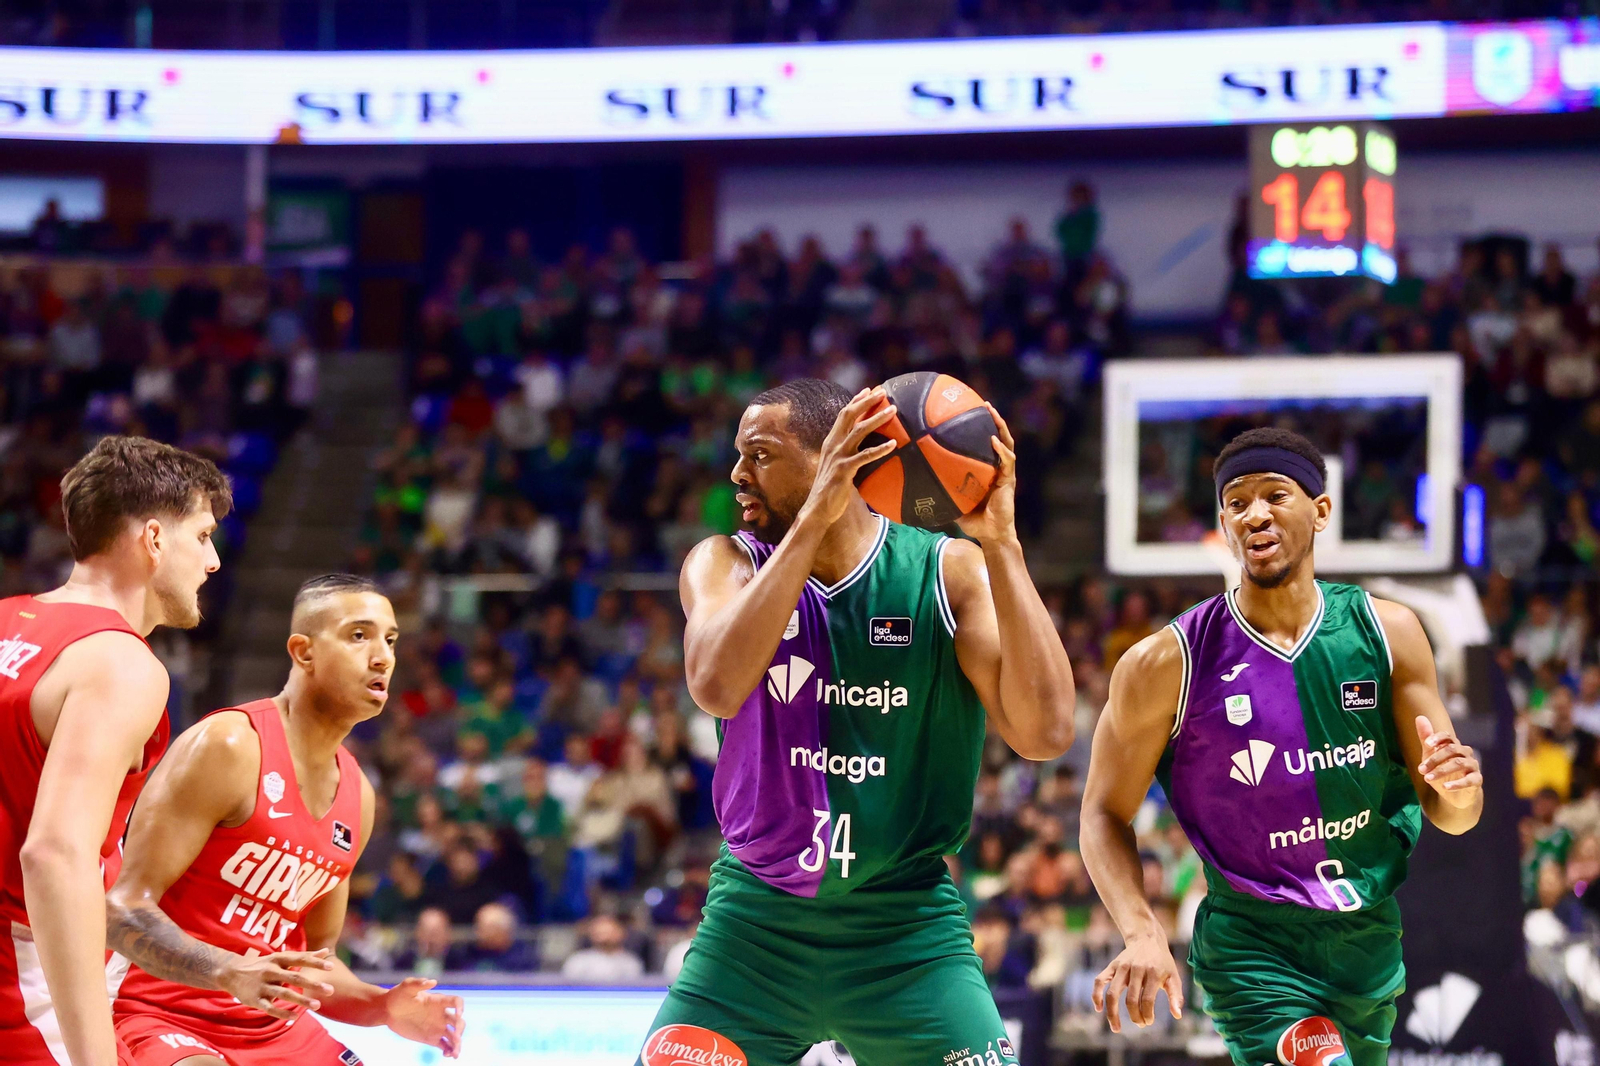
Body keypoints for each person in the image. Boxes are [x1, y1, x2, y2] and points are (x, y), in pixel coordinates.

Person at [635, 380, 1075, 1065]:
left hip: (904, 933)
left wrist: (1004, 548)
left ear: (840, 456)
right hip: (754, 932)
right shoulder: (725, 563)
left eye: (760, 455)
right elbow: (717, 687)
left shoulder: (948, 572)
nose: (737, 474)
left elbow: (1045, 734)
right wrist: (813, 519)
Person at [1081, 427, 1484, 1065]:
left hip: (1366, 936)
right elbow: (1102, 811)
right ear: (1224, 523)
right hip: (1253, 945)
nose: (1256, 513)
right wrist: (1140, 930)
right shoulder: (1165, 663)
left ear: (1321, 511)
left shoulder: (1389, 633)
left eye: (1276, 494)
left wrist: (1461, 792)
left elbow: (1454, 815)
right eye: (1237, 502)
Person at [106, 575, 465, 1065]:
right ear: (303, 651)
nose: (382, 656)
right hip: (157, 1014)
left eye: (390, 639)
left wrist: (381, 1005)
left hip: (274, 1031)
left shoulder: (357, 794)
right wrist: (230, 971)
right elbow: (121, 910)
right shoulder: (229, 746)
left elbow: (317, 966)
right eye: (359, 635)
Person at [0, 436, 230, 1066]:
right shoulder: (122, 664)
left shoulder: (6, 620)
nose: (211, 561)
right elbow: (53, 854)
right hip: (29, 981)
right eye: (203, 535)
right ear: (154, 540)